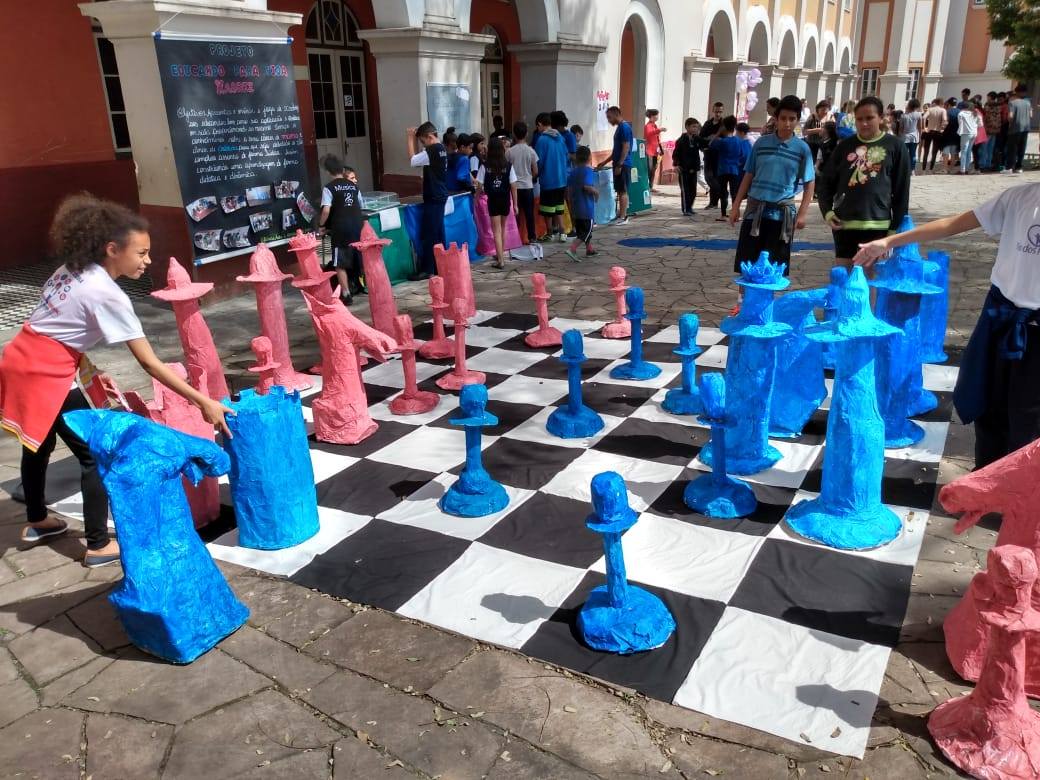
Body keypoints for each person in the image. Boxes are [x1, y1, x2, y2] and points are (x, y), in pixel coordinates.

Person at [0, 194, 233, 567]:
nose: (148, 261)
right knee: (95, 455)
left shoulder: (71, 269)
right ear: (112, 249)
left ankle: (38, 520)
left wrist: (86, 371)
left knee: (37, 444)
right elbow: (151, 365)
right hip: (45, 373)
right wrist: (204, 401)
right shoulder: (108, 294)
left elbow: (57, 326)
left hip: (19, 357)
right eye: (141, 253)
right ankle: (96, 545)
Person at [852, 182, 1040, 468]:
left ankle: (1021, 494)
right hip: (999, 314)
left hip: (1035, 330)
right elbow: (952, 224)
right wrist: (889, 241)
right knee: (986, 402)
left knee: (1028, 416)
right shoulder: (1019, 197)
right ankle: (985, 480)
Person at [729, 94, 816, 292]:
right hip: (754, 211)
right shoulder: (761, 144)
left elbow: (810, 182)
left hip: (781, 215)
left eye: (792, 119)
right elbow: (748, 175)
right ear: (775, 119)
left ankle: (766, 308)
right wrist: (735, 206)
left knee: (774, 267)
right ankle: (743, 304)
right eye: (783, 118)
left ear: (797, 120)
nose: (787, 123)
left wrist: (802, 213)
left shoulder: (802, 149)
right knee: (748, 262)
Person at [816, 96, 910, 271]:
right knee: (844, 280)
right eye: (859, 119)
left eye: (869, 118)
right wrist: (827, 212)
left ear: (881, 118)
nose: (864, 123)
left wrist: (894, 230)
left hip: (878, 226)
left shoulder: (896, 146)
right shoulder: (845, 147)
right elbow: (825, 183)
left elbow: (901, 191)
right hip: (844, 225)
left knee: (870, 282)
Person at [318, 156, 367, 305]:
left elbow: (326, 210)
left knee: (339, 262)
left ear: (328, 171)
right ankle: (362, 285)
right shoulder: (354, 186)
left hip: (340, 228)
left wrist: (321, 226)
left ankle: (345, 293)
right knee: (358, 256)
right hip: (357, 226)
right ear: (342, 169)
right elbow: (361, 204)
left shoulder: (329, 188)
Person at [408, 121, 449, 280]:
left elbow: (412, 161)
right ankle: (440, 265)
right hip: (440, 194)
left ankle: (427, 268)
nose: (423, 145)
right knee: (438, 232)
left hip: (434, 196)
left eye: (423, 141)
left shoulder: (432, 151)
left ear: (430, 136)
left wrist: (410, 138)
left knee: (429, 234)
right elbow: (420, 159)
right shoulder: (441, 149)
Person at [475, 137, 518, 269]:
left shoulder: (484, 166)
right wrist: (515, 204)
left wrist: (476, 198)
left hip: (493, 200)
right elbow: (513, 185)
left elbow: (479, 186)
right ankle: (501, 254)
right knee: (503, 228)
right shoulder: (508, 166)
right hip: (505, 200)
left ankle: (500, 260)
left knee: (496, 231)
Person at [533, 112, 569, 241]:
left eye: (538, 126)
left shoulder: (541, 140)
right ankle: (563, 232)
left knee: (547, 209)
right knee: (559, 207)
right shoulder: (560, 137)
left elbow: (539, 161)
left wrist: (535, 174)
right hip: (561, 179)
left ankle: (549, 233)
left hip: (548, 179)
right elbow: (566, 155)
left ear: (540, 124)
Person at [505, 121, 539, 244]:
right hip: (528, 186)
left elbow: (506, 170)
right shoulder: (531, 151)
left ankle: (515, 238)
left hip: (514, 188)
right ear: (527, 134)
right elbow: (536, 170)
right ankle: (532, 237)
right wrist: (530, 177)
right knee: (529, 214)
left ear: (514, 134)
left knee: (515, 214)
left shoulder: (509, 152)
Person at [708, 115, 747, 221]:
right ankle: (736, 214)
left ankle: (723, 214)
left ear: (724, 127)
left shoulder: (721, 141)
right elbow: (743, 155)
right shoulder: (739, 141)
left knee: (723, 192)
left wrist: (717, 133)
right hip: (734, 169)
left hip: (722, 169)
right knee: (735, 193)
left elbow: (710, 145)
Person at [564, 146, 599, 263]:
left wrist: (570, 203)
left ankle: (589, 249)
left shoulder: (573, 172)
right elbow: (587, 186)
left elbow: (568, 190)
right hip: (586, 208)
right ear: (590, 157)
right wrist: (596, 193)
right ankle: (572, 249)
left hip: (576, 206)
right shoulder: (588, 171)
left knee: (582, 230)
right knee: (586, 231)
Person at [601, 105, 635, 225]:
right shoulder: (620, 128)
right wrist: (604, 162)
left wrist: (620, 164)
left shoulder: (624, 128)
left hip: (623, 164)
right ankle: (621, 214)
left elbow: (626, 147)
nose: (609, 120)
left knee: (623, 190)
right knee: (620, 190)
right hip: (618, 163)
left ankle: (623, 217)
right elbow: (617, 150)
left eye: (609, 117)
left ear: (616, 114)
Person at [672, 117, 702, 215]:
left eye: (696, 127)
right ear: (687, 127)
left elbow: (704, 145)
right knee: (685, 190)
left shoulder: (696, 139)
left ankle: (690, 207)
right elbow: (675, 154)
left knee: (693, 190)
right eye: (693, 127)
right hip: (684, 169)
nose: (695, 129)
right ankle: (685, 209)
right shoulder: (681, 140)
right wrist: (676, 165)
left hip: (694, 169)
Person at [699, 102, 725, 209]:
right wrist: (709, 139)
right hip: (708, 153)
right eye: (716, 111)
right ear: (713, 111)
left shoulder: (723, 124)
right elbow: (701, 137)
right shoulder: (707, 124)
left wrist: (716, 139)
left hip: (719, 155)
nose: (718, 114)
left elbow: (726, 138)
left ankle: (714, 202)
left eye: (720, 112)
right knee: (708, 177)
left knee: (717, 178)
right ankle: (719, 194)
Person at [1005, 83, 1032, 175]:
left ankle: (1009, 168)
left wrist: (1009, 121)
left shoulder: (1012, 103)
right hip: (1026, 128)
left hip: (1015, 128)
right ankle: (1019, 167)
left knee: (1012, 149)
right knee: (1022, 148)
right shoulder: (1028, 103)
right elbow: (1031, 115)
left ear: (1016, 93)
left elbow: (1010, 116)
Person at [921, 97, 948, 172]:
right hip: (937, 131)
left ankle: (923, 168)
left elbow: (923, 117)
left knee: (926, 151)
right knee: (934, 151)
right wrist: (943, 128)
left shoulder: (930, 109)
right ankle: (931, 168)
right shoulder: (943, 110)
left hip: (929, 130)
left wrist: (924, 127)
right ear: (941, 103)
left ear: (935, 102)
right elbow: (945, 120)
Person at [644, 109, 667, 192]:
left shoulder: (654, 125)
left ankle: (650, 186)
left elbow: (657, 138)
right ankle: (646, 186)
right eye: (656, 115)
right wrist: (659, 130)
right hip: (649, 151)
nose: (657, 117)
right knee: (649, 169)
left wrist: (660, 148)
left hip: (655, 151)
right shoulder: (648, 126)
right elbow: (649, 134)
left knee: (653, 169)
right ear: (652, 116)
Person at [802, 101, 830, 166]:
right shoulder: (812, 117)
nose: (825, 112)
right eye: (823, 110)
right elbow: (804, 132)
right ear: (818, 109)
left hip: (825, 146)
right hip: (812, 145)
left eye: (827, 110)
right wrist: (817, 130)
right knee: (811, 163)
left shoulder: (830, 117)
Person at [898, 99, 923, 173]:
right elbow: (920, 127)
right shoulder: (919, 115)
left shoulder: (904, 116)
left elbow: (901, 128)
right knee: (913, 154)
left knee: (904, 155)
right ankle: (912, 170)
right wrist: (920, 136)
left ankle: (903, 169)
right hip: (914, 137)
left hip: (905, 137)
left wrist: (900, 136)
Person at [957, 100, 979, 174]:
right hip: (974, 133)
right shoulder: (975, 113)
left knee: (964, 151)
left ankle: (962, 169)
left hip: (965, 133)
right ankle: (967, 168)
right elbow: (980, 124)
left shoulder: (961, 113)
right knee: (969, 150)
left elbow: (960, 123)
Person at [940, 97, 961, 171]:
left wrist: (942, 129)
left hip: (948, 134)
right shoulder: (960, 111)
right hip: (956, 135)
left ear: (949, 104)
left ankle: (944, 169)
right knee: (953, 153)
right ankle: (951, 169)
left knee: (946, 152)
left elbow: (945, 123)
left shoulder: (947, 112)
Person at [972, 100, 989, 172]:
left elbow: (978, 123)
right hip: (982, 133)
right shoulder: (980, 111)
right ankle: (978, 167)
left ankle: (977, 168)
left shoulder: (975, 111)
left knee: (975, 152)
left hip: (977, 134)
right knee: (979, 151)